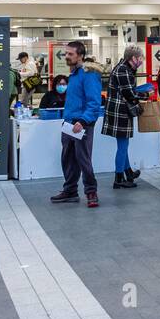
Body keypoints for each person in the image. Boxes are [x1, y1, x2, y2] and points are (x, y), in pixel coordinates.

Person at [50, 41, 105, 207]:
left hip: (82, 124)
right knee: (68, 159)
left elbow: (94, 102)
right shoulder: (73, 74)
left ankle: (91, 192)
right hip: (69, 123)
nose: (66, 56)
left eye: (70, 54)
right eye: (66, 53)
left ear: (80, 55)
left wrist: (82, 121)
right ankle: (70, 190)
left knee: (83, 159)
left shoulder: (89, 74)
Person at [102, 45, 145, 189]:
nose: (141, 60)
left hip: (119, 110)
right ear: (133, 58)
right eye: (140, 58)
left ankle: (128, 173)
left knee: (123, 145)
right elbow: (129, 94)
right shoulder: (123, 70)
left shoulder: (123, 68)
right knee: (123, 146)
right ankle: (118, 179)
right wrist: (145, 95)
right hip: (120, 112)